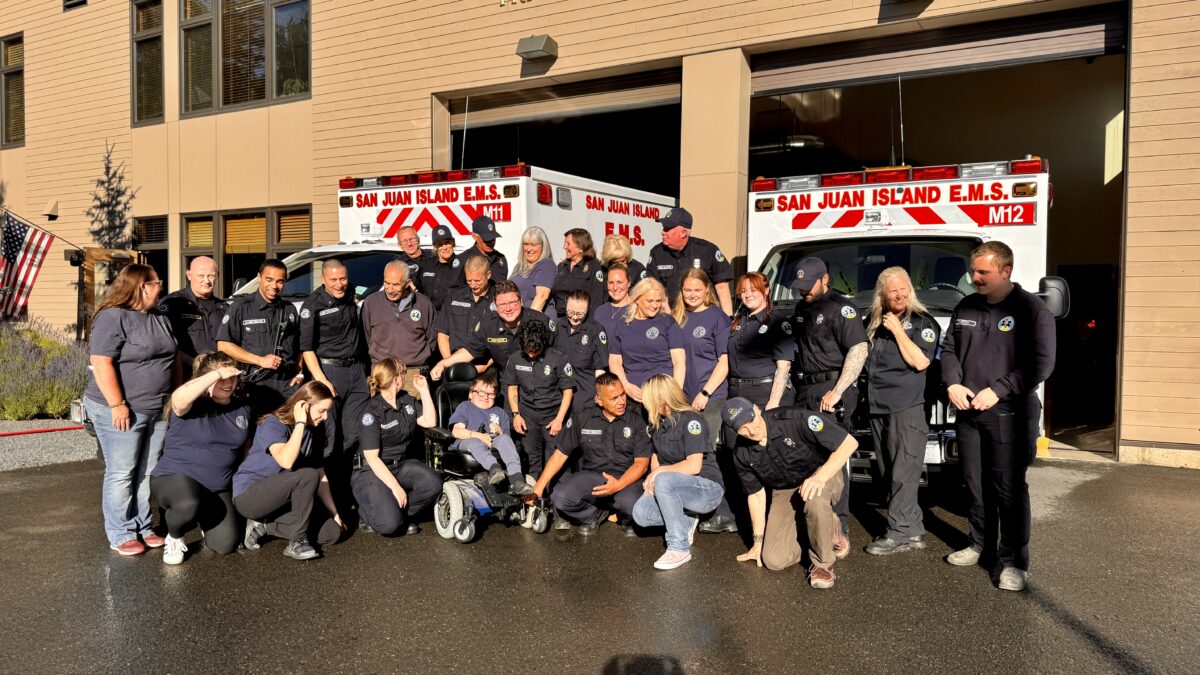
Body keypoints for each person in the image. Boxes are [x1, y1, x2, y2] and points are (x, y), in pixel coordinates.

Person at [940, 241, 1055, 592]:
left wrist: (1000, 389)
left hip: (1009, 413)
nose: (974, 278)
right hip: (968, 413)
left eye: (983, 272)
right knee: (974, 485)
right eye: (973, 271)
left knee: (1008, 489)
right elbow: (949, 350)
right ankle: (980, 544)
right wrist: (953, 384)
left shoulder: (1031, 309)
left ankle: (1013, 561)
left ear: (1005, 270)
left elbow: (1041, 363)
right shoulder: (967, 305)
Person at [85, 264, 178, 556]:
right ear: (142, 286)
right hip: (121, 409)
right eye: (157, 282)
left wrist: (174, 396)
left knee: (148, 471)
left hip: (157, 408)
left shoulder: (159, 316)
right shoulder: (112, 317)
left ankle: (143, 525)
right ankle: (121, 531)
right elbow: (101, 363)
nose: (160, 287)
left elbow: (172, 357)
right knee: (122, 472)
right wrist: (117, 404)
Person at [721, 398, 857, 589]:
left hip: (821, 473)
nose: (750, 431)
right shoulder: (741, 454)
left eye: (750, 421)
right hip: (784, 489)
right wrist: (757, 542)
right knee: (773, 560)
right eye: (742, 428)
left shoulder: (794, 419)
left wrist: (820, 477)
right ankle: (824, 530)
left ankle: (823, 565)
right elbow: (756, 496)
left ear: (756, 409)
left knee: (815, 500)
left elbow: (849, 443)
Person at [788, 256, 868, 539]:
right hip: (805, 390)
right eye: (800, 286)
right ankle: (813, 519)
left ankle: (839, 524)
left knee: (834, 456)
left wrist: (839, 390)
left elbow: (858, 350)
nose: (804, 291)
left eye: (809, 285)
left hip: (833, 388)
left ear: (825, 280)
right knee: (806, 455)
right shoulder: (800, 307)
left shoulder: (842, 309)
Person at [863, 267, 940, 556]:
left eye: (903, 288)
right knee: (888, 473)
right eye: (893, 290)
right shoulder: (872, 323)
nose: (899, 294)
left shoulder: (922, 322)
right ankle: (915, 529)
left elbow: (920, 362)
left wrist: (897, 331)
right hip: (877, 408)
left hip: (906, 409)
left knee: (903, 475)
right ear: (882, 294)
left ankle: (898, 534)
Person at [149, 352, 250, 564]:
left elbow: (244, 451)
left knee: (225, 545)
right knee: (187, 504)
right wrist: (216, 374)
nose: (228, 383)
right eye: (221, 378)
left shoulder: (243, 408)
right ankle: (174, 535)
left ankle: (200, 515)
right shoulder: (192, 403)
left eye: (233, 377)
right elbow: (178, 399)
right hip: (175, 478)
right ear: (205, 379)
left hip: (216, 487)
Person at [233, 383, 346, 560]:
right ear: (304, 406)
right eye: (321, 411)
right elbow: (286, 461)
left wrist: (335, 513)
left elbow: (320, 473)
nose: (325, 417)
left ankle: (263, 526)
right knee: (307, 475)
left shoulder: (315, 429)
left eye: (327, 411)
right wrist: (300, 421)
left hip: (283, 502)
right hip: (250, 497)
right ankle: (297, 542)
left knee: (331, 532)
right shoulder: (273, 423)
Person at [530, 373, 651, 534]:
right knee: (560, 498)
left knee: (633, 504)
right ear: (599, 400)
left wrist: (617, 485)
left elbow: (641, 464)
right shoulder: (583, 418)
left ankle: (626, 518)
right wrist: (539, 485)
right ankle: (594, 514)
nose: (621, 401)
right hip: (593, 477)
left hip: (626, 478)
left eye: (622, 394)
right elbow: (561, 453)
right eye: (614, 398)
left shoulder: (637, 419)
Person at [631, 375, 726, 570]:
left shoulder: (691, 420)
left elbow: (694, 466)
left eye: (649, 397)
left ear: (661, 398)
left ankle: (679, 547)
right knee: (641, 513)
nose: (645, 402)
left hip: (706, 489)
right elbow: (657, 456)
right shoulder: (658, 423)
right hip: (673, 487)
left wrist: (658, 475)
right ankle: (686, 519)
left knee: (663, 480)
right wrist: (652, 480)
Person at [673, 269, 737, 534]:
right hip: (683, 398)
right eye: (687, 290)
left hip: (710, 398)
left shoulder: (717, 317)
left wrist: (706, 393)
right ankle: (696, 506)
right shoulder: (677, 317)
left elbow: (725, 361)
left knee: (708, 455)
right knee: (688, 453)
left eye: (697, 290)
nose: (692, 295)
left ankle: (725, 514)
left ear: (707, 289)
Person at [352, 359, 443, 536]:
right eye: (403, 373)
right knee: (389, 526)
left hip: (399, 464)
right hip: (371, 470)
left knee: (433, 483)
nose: (405, 376)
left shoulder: (406, 400)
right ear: (396, 379)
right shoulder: (371, 412)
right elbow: (372, 458)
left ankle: (400, 514)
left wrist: (424, 391)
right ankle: (367, 513)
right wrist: (396, 488)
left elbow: (430, 421)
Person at [299, 259, 371, 462]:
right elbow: (307, 349)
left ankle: (351, 484)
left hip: (356, 371)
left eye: (343, 278)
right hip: (329, 372)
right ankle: (329, 487)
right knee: (330, 435)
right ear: (322, 279)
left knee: (356, 431)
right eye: (333, 280)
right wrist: (322, 380)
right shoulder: (312, 305)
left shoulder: (350, 293)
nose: (339, 284)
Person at [430, 280, 552, 393]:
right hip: (510, 387)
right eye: (502, 304)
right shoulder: (488, 325)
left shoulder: (540, 321)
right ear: (495, 305)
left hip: (542, 387)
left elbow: (557, 353)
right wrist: (443, 363)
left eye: (512, 302)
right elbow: (470, 351)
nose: (508, 308)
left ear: (521, 301)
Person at [216, 259, 303, 414]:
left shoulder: (289, 309)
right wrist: (260, 361)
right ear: (259, 277)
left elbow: (299, 346)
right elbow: (223, 345)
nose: (274, 286)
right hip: (256, 385)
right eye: (269, 280)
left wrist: (299, 373)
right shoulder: (240, 307)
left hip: (287, 386)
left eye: (280, 281)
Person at [505, 320, 574, 479]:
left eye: (534, 351)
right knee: (530, 459)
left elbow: (568, 391)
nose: (530, 354)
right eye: (527, 350)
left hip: (553, 415)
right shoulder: (515, 359)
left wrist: (559, 419)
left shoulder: (558, 358)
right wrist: (516, 415)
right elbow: (513, 388)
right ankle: (532, 497)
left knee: (556, 458)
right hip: (527, 415)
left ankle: (557, 500)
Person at [448, 372, 533, 495]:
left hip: (493, 443)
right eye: (481, 392)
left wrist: (500, 432)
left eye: (491, 394)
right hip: (468, 442)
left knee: (504, 439)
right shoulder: (465, 406)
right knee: (475, 443)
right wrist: (480, 436)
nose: (486, 397)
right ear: (471, 394)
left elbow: (507, 441)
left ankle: (517, 480)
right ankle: (494, 468)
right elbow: (457, 431)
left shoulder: (500, 412)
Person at [360, 260, 437, 394]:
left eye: (396, 284)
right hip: (381, 373)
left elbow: (432, 338)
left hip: (413, 373)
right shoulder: (371, 302)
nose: (390, 289)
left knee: (415, 414)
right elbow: (366, 336)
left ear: (407, 283)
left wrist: (416, 358)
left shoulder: (424, 304)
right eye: (386, 283)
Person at [609, 278, 685, 403]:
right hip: (634, 397)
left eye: (658, 301)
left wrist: (674, 394)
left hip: (663, 396)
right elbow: (615, 361)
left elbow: (679, 361)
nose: (655, 305)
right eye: (650, 301)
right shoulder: (622, 325)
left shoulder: (667, 322)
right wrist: (626, 386)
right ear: (637, 299)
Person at [646, 207, 734, 315]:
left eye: (667, 229)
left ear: (683, 233)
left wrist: (728, 319)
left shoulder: (707, 250)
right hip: (670, 315)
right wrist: (667, 314)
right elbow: (653, 286)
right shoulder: (657, 253)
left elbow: (722, 287)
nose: (663, 232)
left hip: (703, 317)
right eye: (663, 228)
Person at [158, 256, 227, 371]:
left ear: (218, 275)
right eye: (201, 276)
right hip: (187, 376)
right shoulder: (173, 304)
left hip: (219, 376)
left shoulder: (224, 308)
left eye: (211, 276)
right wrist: (195, 364)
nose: (207, 281)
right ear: (189, 275)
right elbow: (164, 345)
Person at [435, 255, 494, 370]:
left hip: (484, 367)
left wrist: (486, 365)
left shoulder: (499, 299)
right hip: (453, 365)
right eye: (469, 280)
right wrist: (449, 362)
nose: (473, 285)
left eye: (477, 280)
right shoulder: (454, 297)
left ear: (488, 275)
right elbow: (443, 333)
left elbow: (504, 340)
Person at [554, 290, 609, 412]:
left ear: (588, 309)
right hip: (558, 397)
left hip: (584, 398)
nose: (574, 317)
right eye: (570, 312)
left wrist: (601, 396)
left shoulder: (596, 330)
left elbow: (600, 369)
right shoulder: (559, 326)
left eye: (579, 314)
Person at [551, 228, 606, 320]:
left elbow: (597, 301)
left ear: (581, 247)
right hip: (560, 322)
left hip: (581, 322)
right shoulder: (561, 267)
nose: (564, 247)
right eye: (565, 243)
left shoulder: (594, 267)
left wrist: (590, 327)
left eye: (568, 244)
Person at [511, 226, 556, 317]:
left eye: (533, 245)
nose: (528, 249)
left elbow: (542, 297)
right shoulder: (519, 266)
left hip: (537, 320)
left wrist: (528, 320)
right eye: (526, 244)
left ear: (543, 246)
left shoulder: (546, 265)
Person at [417, 225, 461, 311]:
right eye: (440, 244)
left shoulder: (462, 265)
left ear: (453, 243)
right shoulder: (426, 265)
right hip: (428, 315)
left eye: (447, 243)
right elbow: (417, 289)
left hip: (452, 317)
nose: (445, 247)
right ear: (435, 247)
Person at [457, 215, 508, 283]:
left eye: (493, 238)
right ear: (474, 236)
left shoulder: (500, 258)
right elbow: (456, 289)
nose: (491, 242)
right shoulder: (463, 260)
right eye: (486, 239)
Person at [593, 263, 634, 338]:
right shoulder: (599, 311)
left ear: (629, 282)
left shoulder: (637, 310)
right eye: (611, 283)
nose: (615, 288)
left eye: (619, 282)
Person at [396, 226, 435, 292]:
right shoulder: (397, 265)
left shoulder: (434, 255)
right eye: (404, 241)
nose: (409, 244)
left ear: (418, 240)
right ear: (400, 245)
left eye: (411, 239)